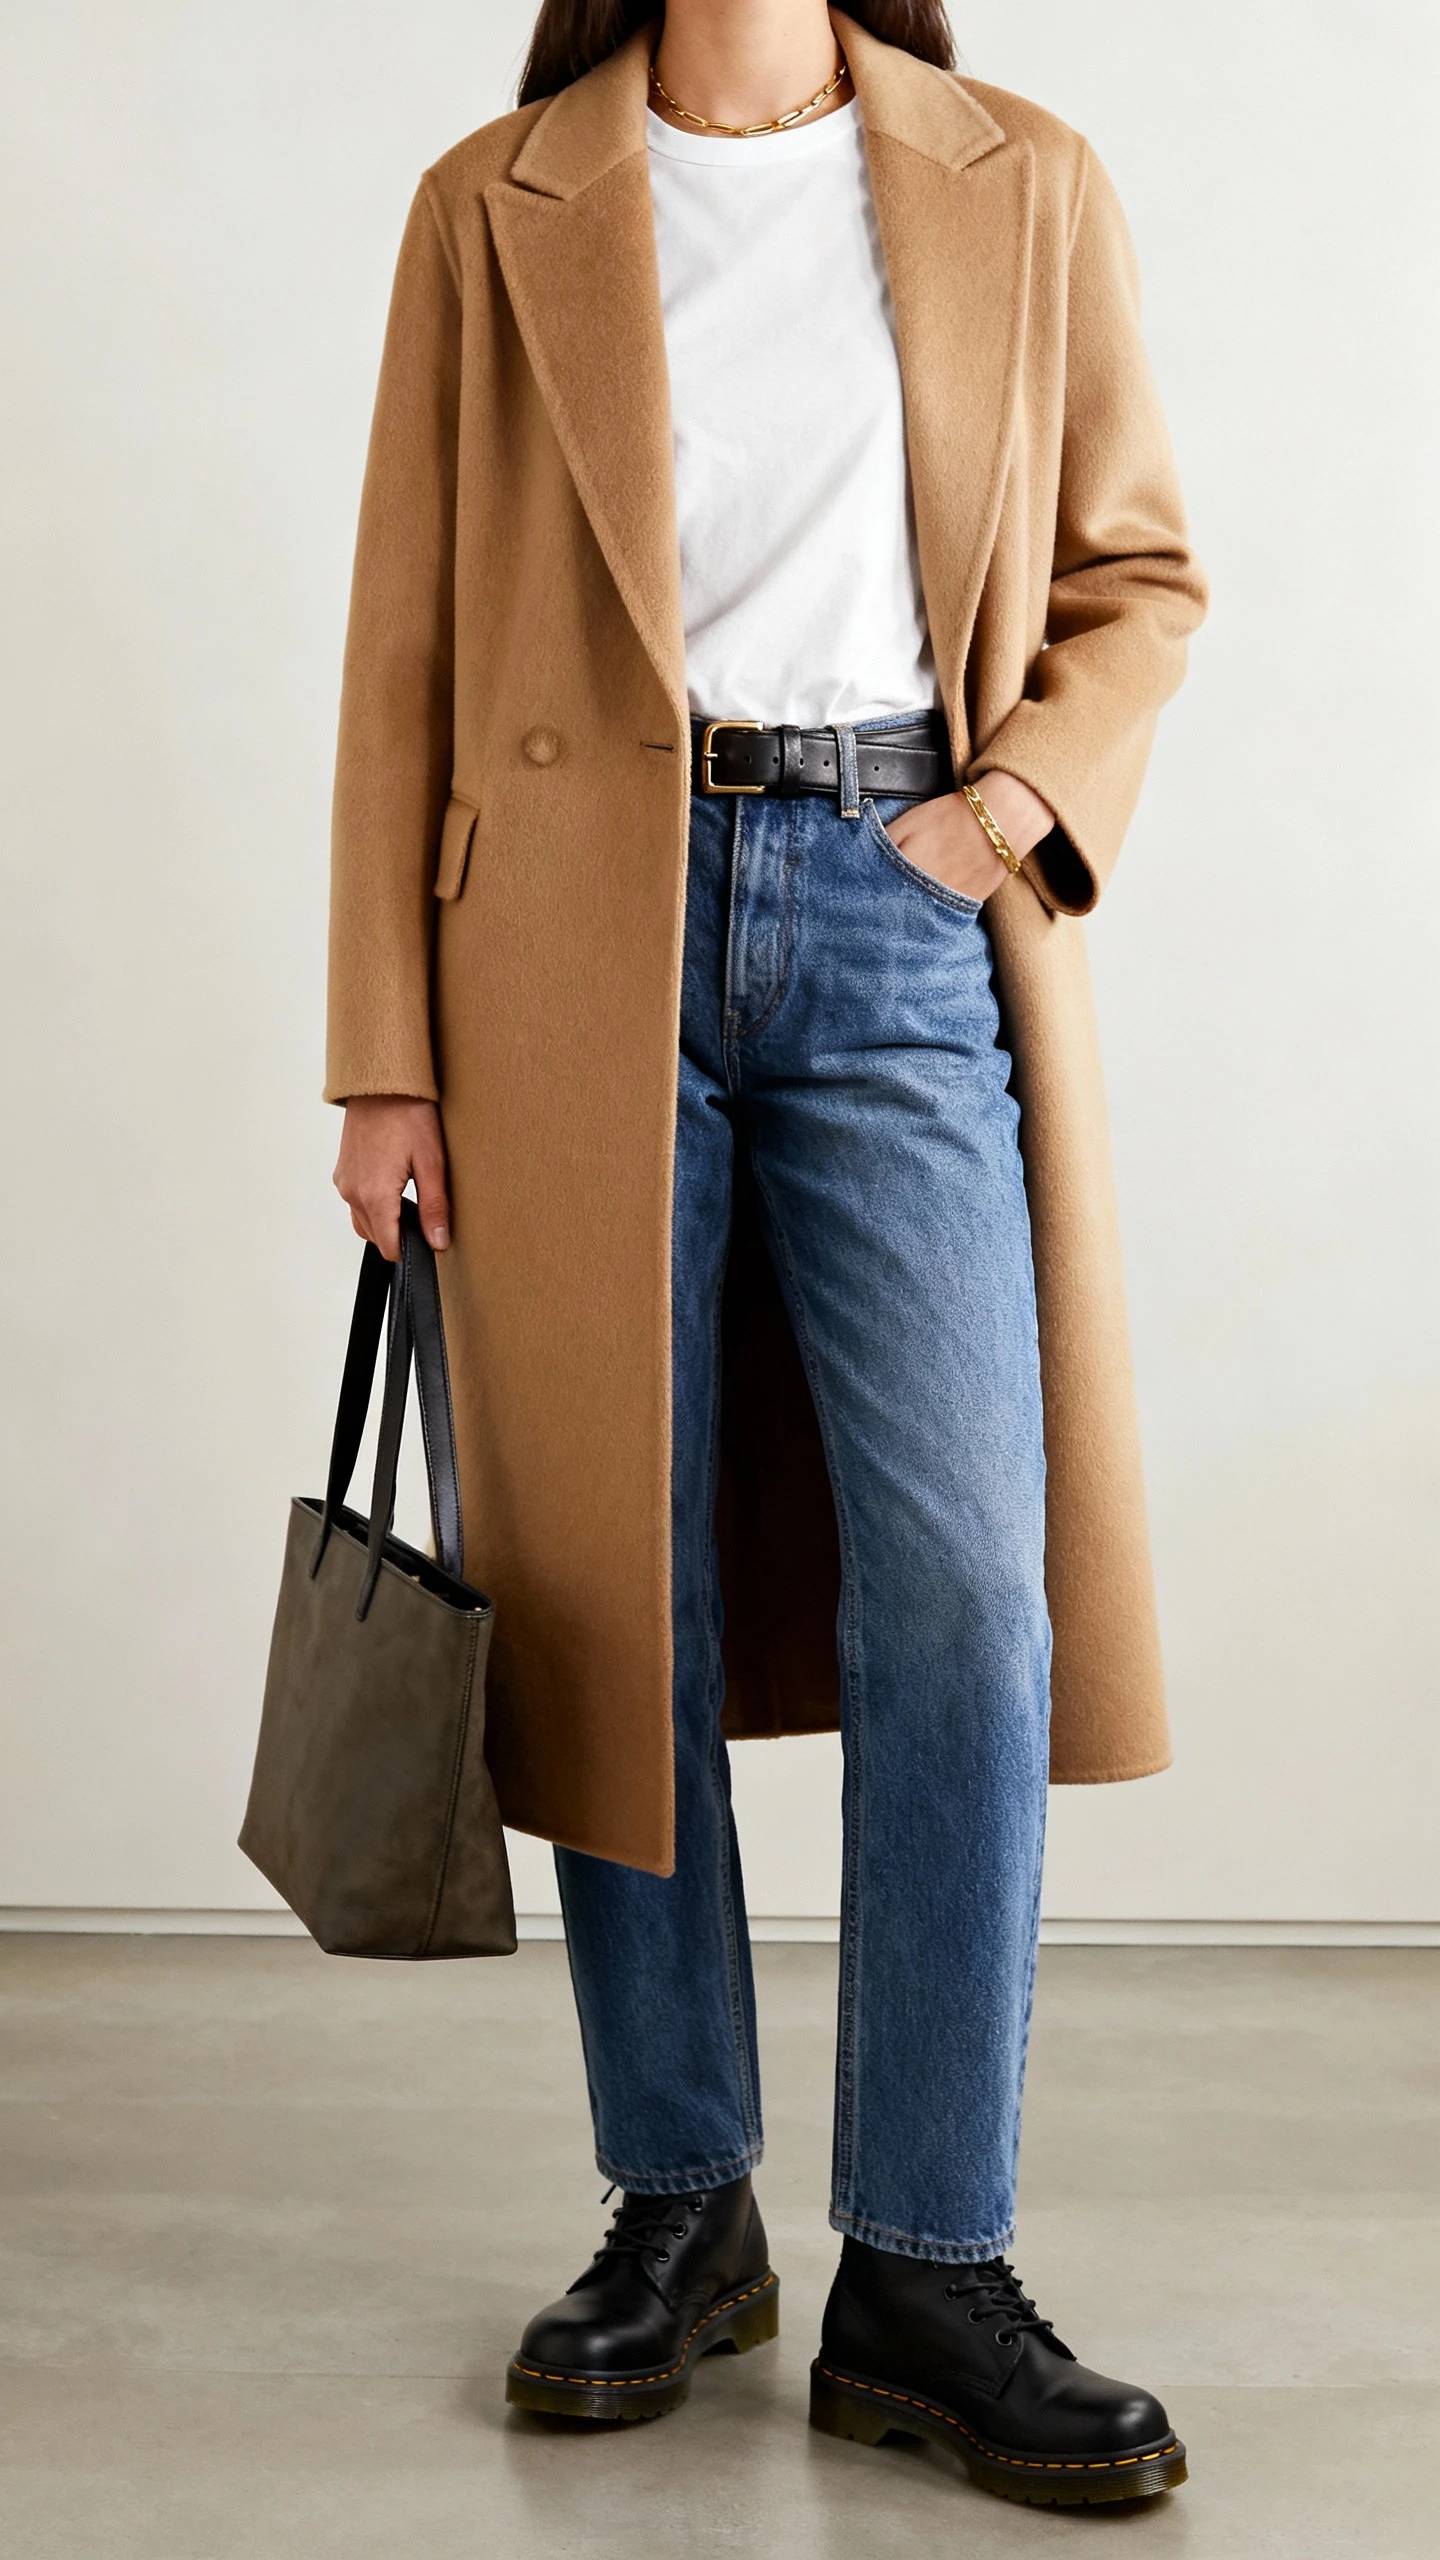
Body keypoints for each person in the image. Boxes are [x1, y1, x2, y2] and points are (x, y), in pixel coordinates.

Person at [328, 0, 1206, 2510]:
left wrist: (1018, 795)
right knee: (625, 1582)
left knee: (966, 1586)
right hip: (561, 945)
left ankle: (929, 2255)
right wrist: (383, 1051)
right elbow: (403, 640)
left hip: (906, 905)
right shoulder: (492, 203)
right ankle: (678, 2195)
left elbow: (1139, 568)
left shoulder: (1017, 175)